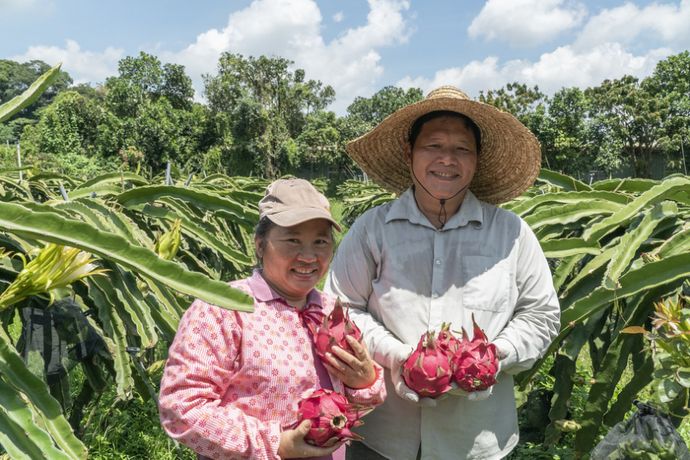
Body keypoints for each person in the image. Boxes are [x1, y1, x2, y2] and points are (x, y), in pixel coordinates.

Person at [324, 86, 561, 460]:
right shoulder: (373, 230)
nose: (447, 159)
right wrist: (397, 356)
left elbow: (541, 314)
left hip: (478, 440)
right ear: (410, 153)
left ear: (477, 159)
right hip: (382, 436)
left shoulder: (512, 234)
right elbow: (341, 309)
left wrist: (491, 357)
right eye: (433, 146)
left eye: (462, 149)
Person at [159, 178, 386, 460]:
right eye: (292, 240)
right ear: (260, 244)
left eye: (321, 241)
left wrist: (364, 381)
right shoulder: (224, 308)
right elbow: (181, 407)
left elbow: (356, 401)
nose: (308, 256)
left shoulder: (330, 311)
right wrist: (274, 444)